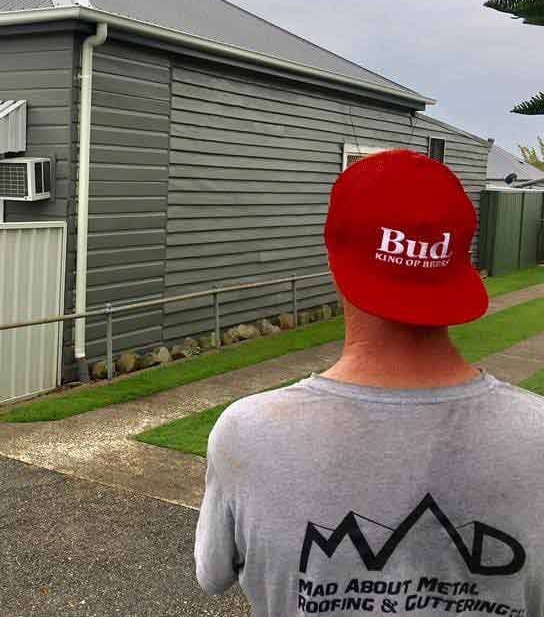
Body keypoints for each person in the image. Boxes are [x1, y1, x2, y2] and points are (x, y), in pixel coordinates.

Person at [194, 149, 543, 616]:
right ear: (459, 265)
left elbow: (213, 573)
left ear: (334, 255)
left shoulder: (249, 433)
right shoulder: (536, 435)